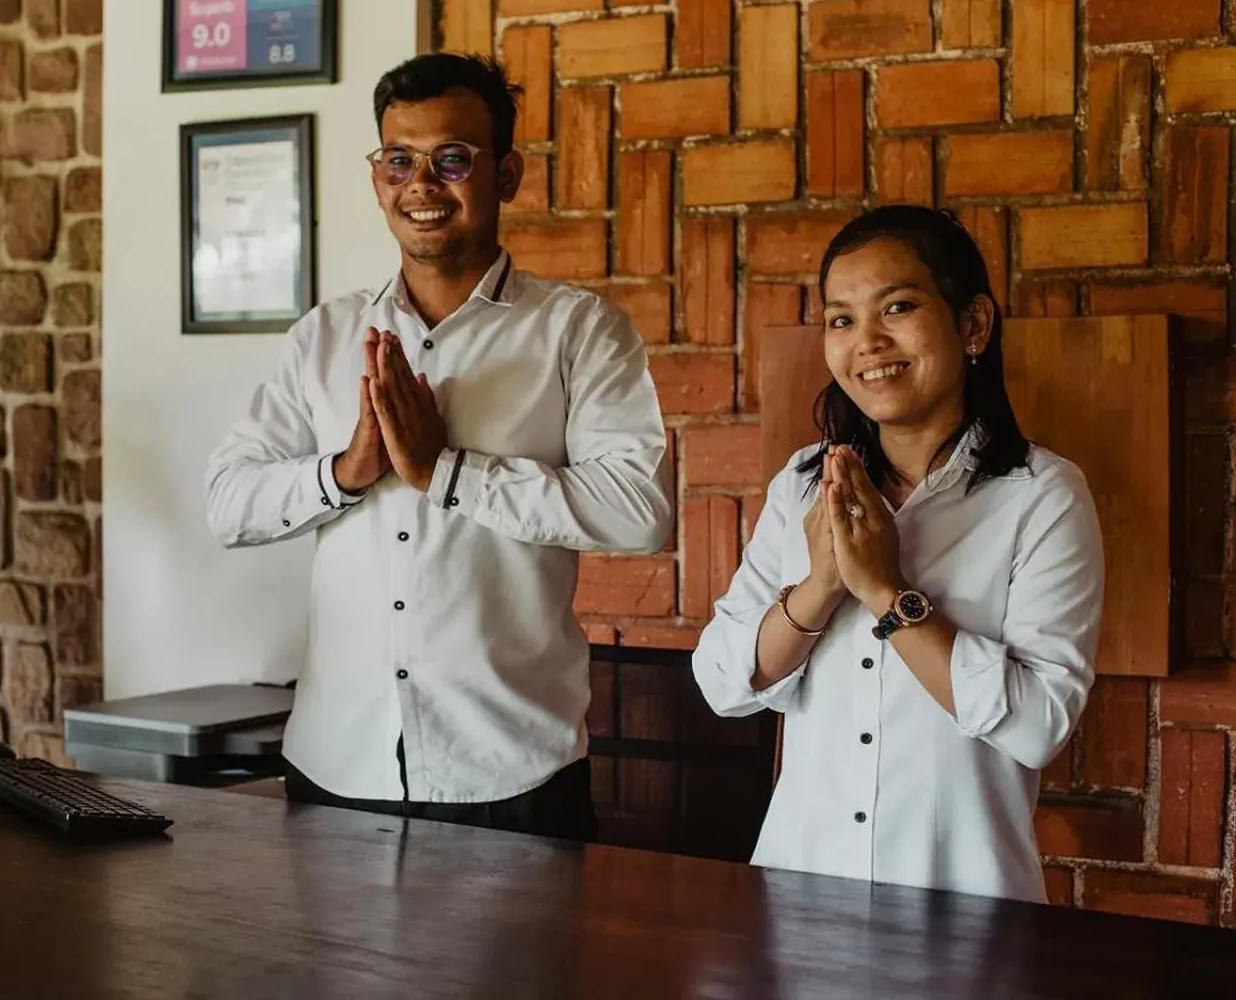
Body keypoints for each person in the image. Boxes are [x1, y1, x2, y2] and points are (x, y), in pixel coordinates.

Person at [205, 53, 672, 842]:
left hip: (510, 771)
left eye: (452, 158)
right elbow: (227, 504)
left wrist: (446, 473)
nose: (421, 183)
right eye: (399, 159)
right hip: (334, 766)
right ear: (378, 175)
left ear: (507, 174)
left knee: (522, 975)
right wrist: (346, 474)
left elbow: (638, 514)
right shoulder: (323, 336)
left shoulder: (579, 332)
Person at [692, 205, 1104, 901]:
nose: (868, 343)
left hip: (966, 906)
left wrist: (888, 594)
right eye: (842, 319)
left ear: (973, 324)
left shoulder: (1043, 496)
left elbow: (1037, 727)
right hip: (798, 893)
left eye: (899, 307)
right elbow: (722, 682)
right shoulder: (803, 485)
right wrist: (820, 586)